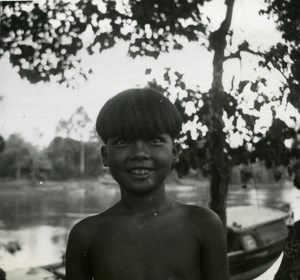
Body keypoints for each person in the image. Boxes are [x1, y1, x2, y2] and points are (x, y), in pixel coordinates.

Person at [65, 87, 229, 280]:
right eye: (122, 141)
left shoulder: (203, 224)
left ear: (175, 152)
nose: (139, 153)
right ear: (105, 155)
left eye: (155, 140)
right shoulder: (86, 235)